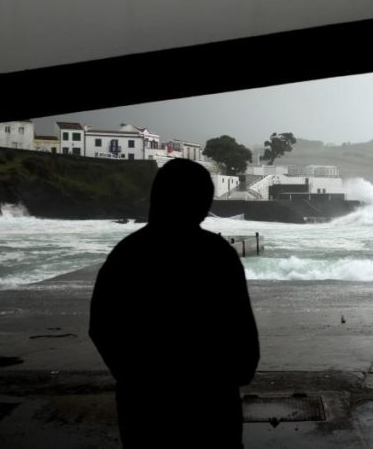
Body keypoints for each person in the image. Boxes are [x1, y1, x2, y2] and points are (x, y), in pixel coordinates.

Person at [90, 159, 259, 448]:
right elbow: (241, 329)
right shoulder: (217, 255)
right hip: (211, 404)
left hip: (144, 407)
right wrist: (236, 376)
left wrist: (132, 378)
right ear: (202, 203)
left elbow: (101, 327)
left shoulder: (127, 253)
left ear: (156, 198)